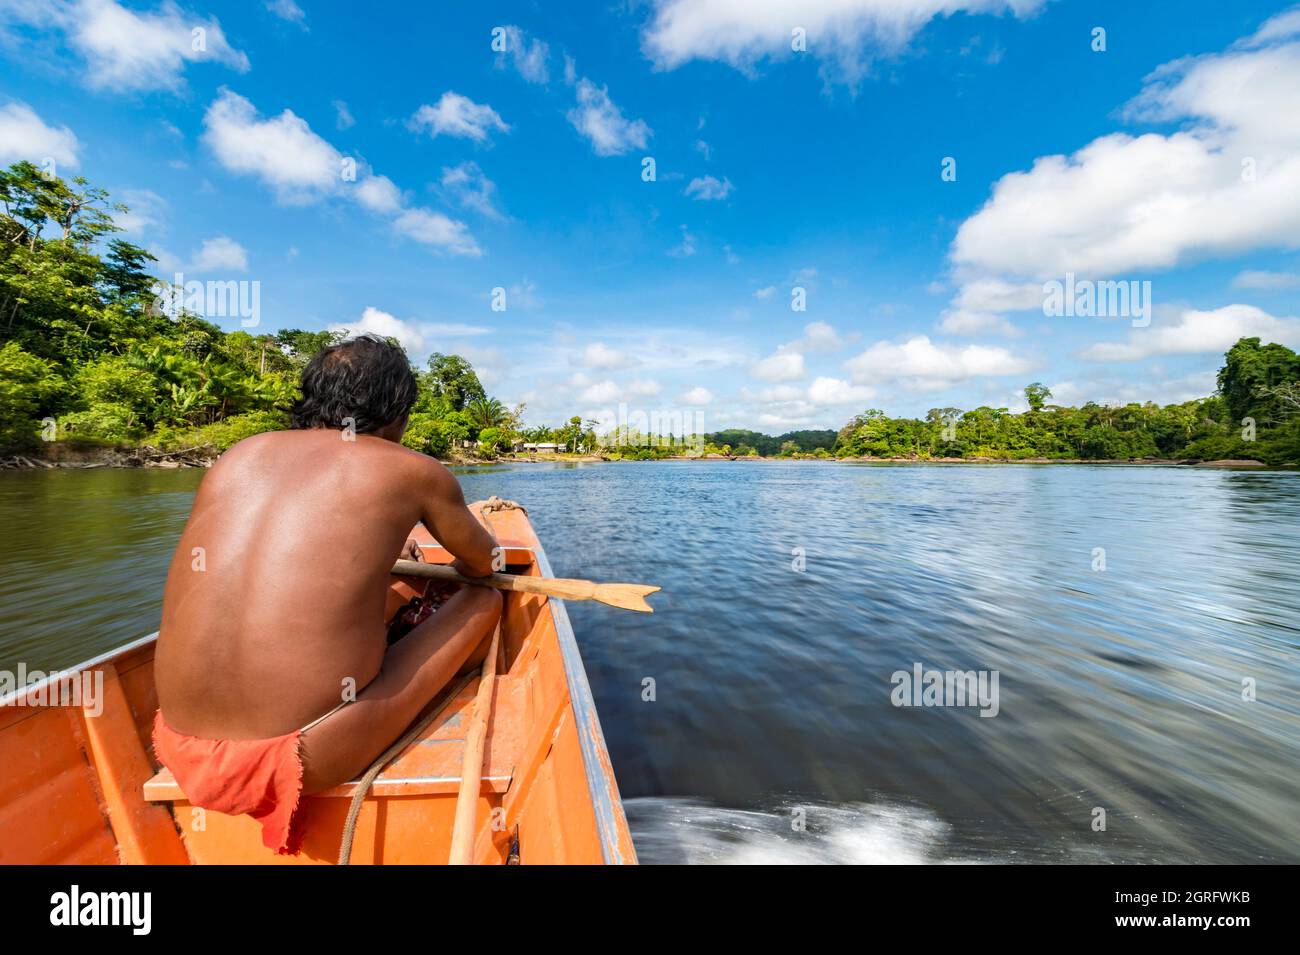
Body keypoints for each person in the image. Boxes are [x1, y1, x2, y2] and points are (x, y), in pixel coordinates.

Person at [152, 334, 502, 854]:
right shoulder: (411, 469)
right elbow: (485, 563)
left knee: (392, 586)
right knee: (487, 597)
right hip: (304, 752)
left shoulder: (238, 455)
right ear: (397, 412)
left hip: (176, 742)